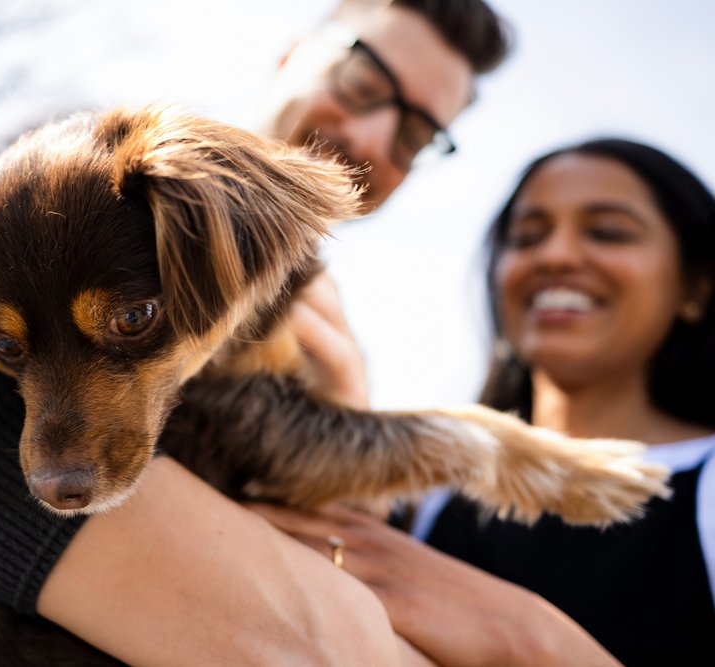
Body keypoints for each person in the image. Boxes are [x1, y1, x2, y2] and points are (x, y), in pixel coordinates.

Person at [0, 1, 540, 664]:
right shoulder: (67, 171)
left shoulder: (331, 329)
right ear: (292, 54)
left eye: (414, 137)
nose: (373, 138)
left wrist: (345, 443)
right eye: (362, 82)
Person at [255, 138, 715, 666]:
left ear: (697, 287)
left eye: (608, 232)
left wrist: (522, 635)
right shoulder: (426, 498)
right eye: (527, 237)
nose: (556, 255)